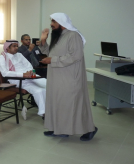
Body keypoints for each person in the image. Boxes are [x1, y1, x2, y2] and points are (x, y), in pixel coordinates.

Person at [39, 12, 97, 141]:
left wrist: (52, 60)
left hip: (70, 77)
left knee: (73, 105)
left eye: (54, 22)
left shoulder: (73, 35)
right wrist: (43, 40)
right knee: (59, 104)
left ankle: (90, 129)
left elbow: (75, 56)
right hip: (56, 77)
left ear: (61, 23)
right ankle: (60, 129)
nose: (51, 24)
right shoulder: (58, 36)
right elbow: (49, 53)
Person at [0, 40, 47, 120]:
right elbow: (5, 73)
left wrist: (29, 72)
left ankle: (53, 109)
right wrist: (23, 75)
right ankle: (44, 113)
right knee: (39, 91)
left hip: (29, 76)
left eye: (17, 46)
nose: (16, 48)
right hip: (17, 79)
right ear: (7, 47)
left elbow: (29, 65)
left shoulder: (19, 55)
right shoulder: (2, 57)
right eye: (14, 46)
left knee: (47, 84)